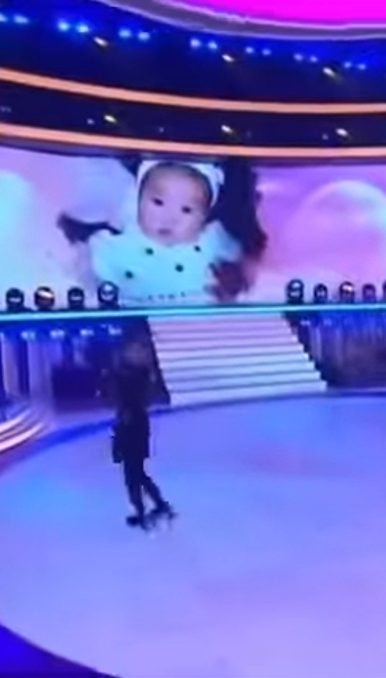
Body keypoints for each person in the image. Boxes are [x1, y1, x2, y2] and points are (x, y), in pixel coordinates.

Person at [59, 158, 267, 305]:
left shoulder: (212, 241)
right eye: (158, 202)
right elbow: (82, 276)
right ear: (137, 201)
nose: (169, 218)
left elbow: (244, 262)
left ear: (204, 217)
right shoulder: (115, 245)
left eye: (186, 210)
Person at [111, 337, 175, 528]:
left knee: (133, 474)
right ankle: (159, 505)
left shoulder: (134, 376)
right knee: (137, 473)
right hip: (135, 424)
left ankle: (143, 510)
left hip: (133, 426)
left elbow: (126, 399)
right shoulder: (138, 374)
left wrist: (118, 443)